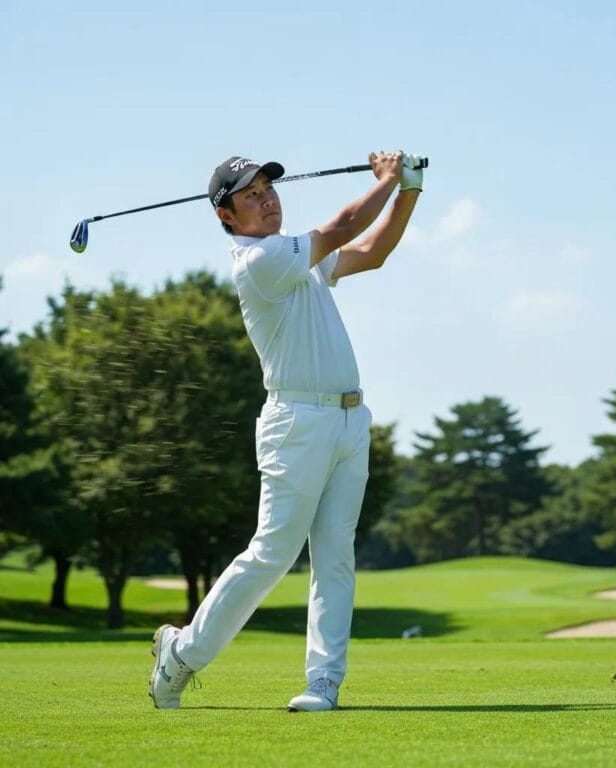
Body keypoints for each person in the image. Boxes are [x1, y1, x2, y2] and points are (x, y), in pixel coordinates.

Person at [149, 150, 423, 712]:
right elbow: (345, 225)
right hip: (296, 422)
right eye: (250, 195)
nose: (267, 198)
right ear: (227, 216)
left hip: (350, 420)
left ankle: (323, 682)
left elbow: (371, 251)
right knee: (273, 551)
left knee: (335, 555)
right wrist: (389, 177)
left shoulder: (296, 257)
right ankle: (181, 656)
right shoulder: (261, 261)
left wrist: (409, 190)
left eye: (268, 188)